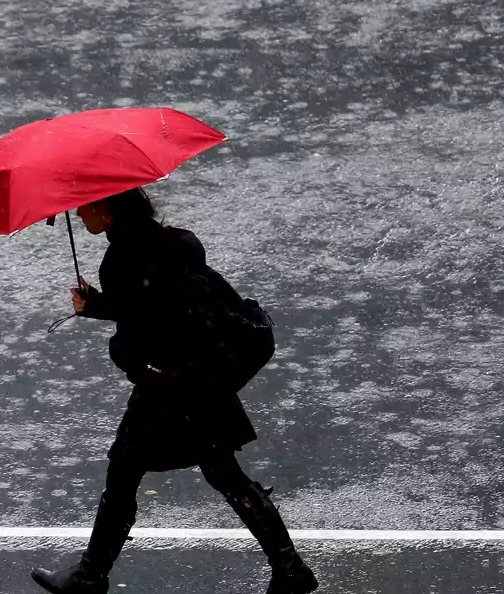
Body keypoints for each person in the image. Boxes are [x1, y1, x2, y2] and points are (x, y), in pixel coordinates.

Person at [31, 187, 318, 594]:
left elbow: (137, 338)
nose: (79, 212)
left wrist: (117, 343)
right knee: (224, 472)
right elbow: (159, 305)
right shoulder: (173, 243)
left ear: (107, 210)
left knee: (124, 473)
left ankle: (90, 576)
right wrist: (101, 306)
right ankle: (290, 569)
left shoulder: (121, 261)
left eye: (86, 204)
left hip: (165, 389)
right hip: (202, 379)